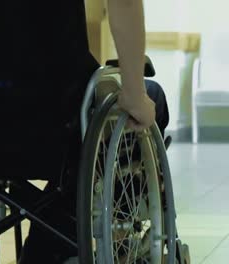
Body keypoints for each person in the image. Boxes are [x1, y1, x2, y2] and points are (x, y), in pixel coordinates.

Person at [17, 0, 169, 263]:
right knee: (148, 99)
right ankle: (99, 241)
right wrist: (135, 94)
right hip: (53, 110)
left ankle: (49, 246)